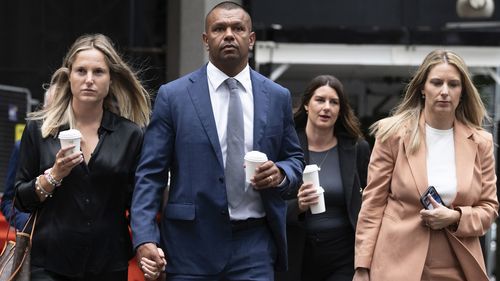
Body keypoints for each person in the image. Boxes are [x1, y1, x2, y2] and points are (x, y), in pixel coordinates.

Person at [131, 2, 304, 281]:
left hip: (254, 244)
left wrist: (281, 174)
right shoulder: (173, 97)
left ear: (251, 38)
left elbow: (295, 159)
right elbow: (150, 175)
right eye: (219, 28)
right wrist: (144, 238)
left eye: (238, 28)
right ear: (205, 39)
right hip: (190, 245)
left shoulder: (277, 96)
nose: (228, 34)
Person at [14, 33, 151, 281]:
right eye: (81, 71)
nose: (89, 80)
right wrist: (53, 176)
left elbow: (139, 202)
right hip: (50, 263)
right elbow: (19, 200)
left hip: (108, 263)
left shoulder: (131, 135)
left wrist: (148, 243)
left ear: (110, 79)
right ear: (69, 76)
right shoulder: (40, 130)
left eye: (98, 72)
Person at [353, 50, 498, 281]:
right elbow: (372, 205)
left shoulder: (480, 142)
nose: (444, 91)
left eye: (453, 84)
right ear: (423, 88)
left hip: (458, 263)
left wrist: (455, 217)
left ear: (462, 92)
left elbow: (489, 208)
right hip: (396, 263)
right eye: (436, 83)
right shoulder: (392, 135)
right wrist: (362, 266)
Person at [275, 75, 370, 281]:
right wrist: (297, 206)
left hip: (343, 252)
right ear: (307, 105)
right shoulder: (286, 146)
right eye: (320, 100)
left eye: (334, 102)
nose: (327, 107)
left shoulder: (356, 149)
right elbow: (268, 203)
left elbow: (371, 201)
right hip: (297, 251)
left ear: (340, 110)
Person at [1, 87, 55, 230]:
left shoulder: (84, 144)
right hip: (36, 240)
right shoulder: (24, 145)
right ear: (44, 109)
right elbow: (9, 201)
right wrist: (29, 224)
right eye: (54, 107)